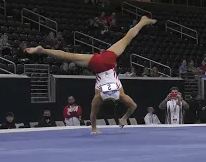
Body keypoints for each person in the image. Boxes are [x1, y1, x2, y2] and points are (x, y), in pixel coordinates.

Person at [25, 16, 157, 134]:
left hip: (107, 61)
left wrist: (121, 118)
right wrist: (122, 119)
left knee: (126, 39)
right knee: (68, 56)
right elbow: (93, 114)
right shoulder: (99, 97)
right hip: (98, 65)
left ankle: (142, 21)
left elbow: (132, 105)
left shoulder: (118, 95)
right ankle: (43, 50)